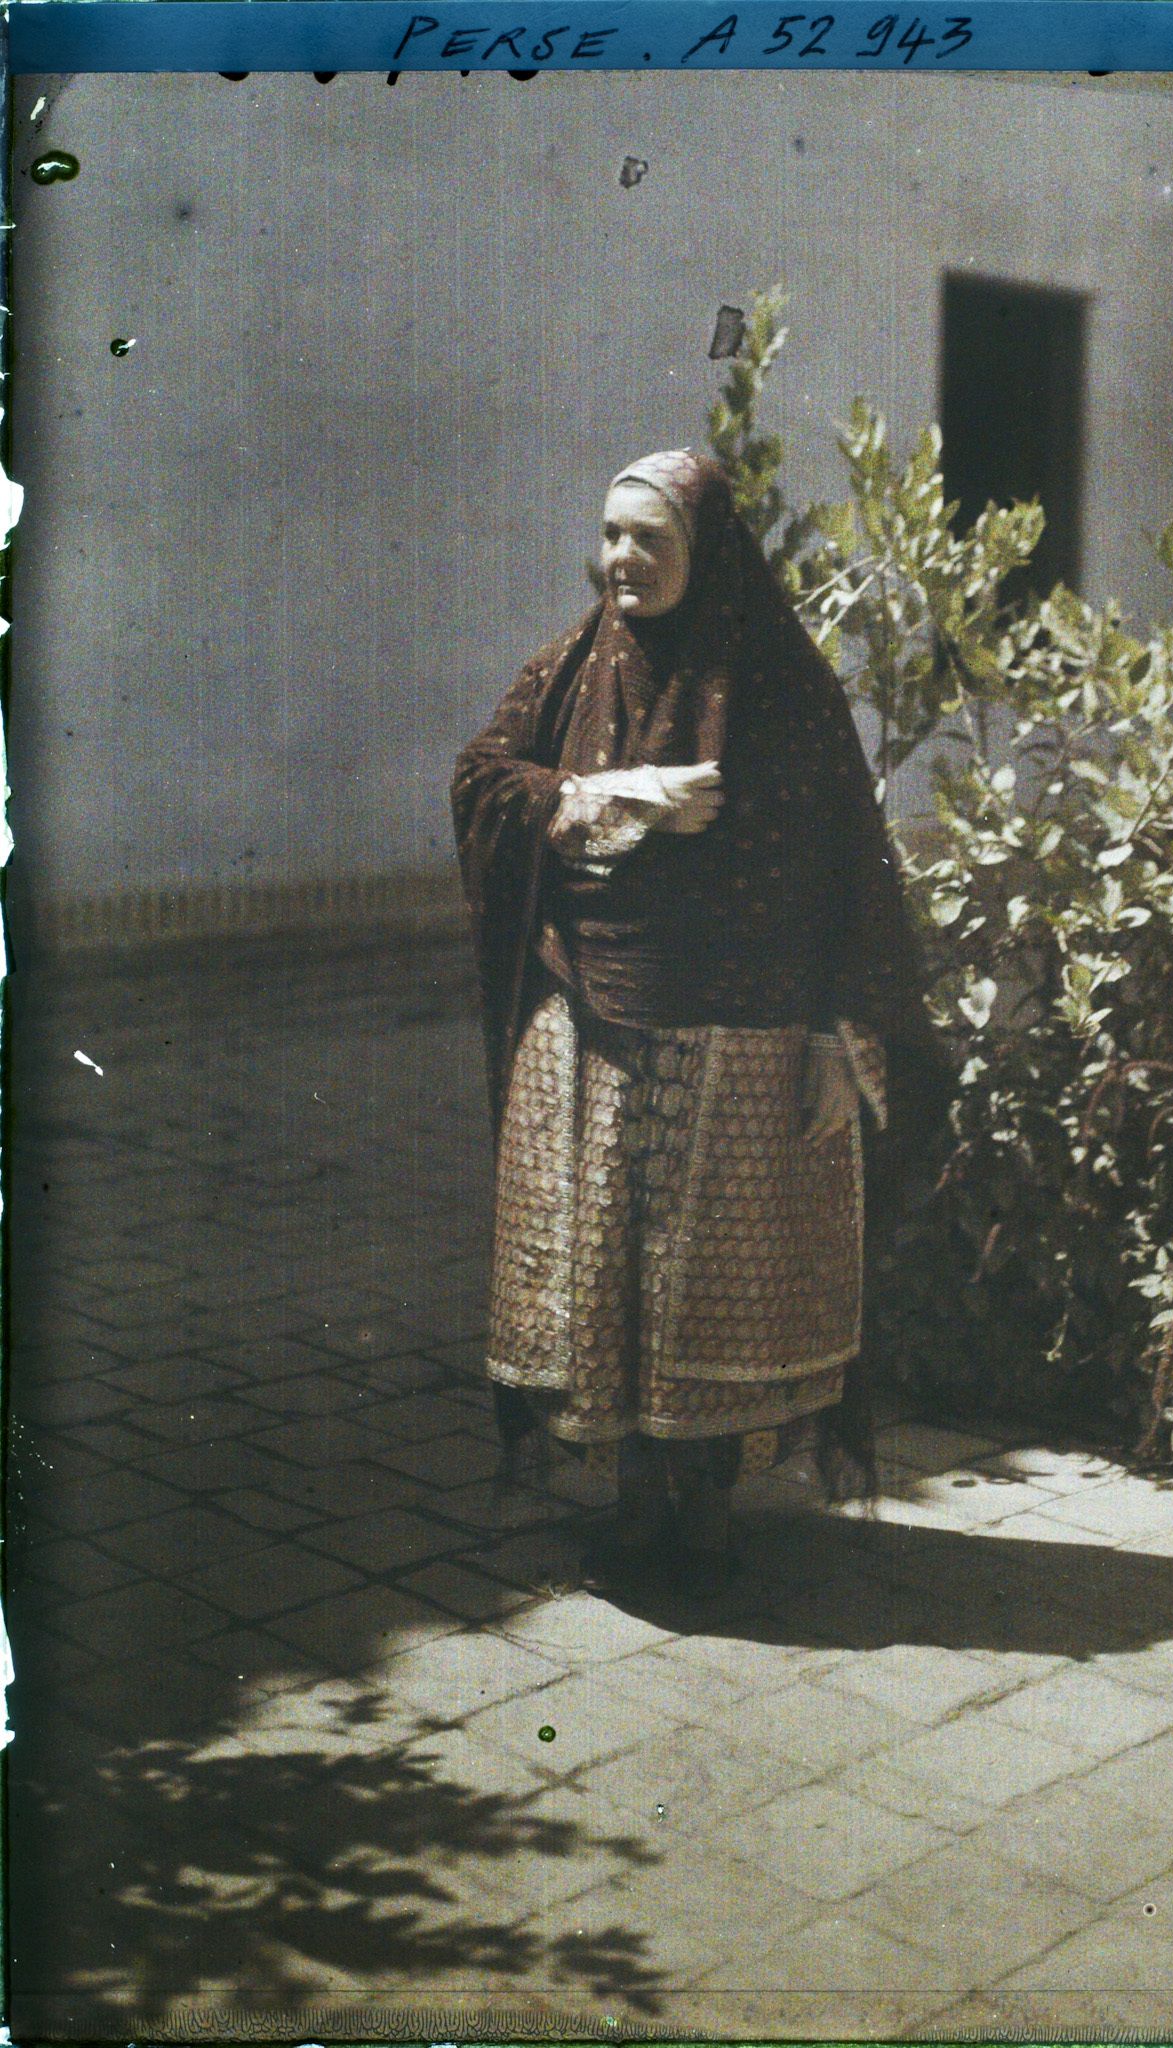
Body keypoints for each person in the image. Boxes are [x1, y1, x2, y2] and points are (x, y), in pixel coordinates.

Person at [451, 448, 942, 1594]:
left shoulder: (780, 683)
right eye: (611, 534)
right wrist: (605, 800)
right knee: (609, 1278)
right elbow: (480, 774)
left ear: (704, 550)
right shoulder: (574, 666)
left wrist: (841, 1031)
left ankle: (708, 1503)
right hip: (591, 1027)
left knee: (706, 1285)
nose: (621, 558)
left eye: (648, 538)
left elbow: (851, 870)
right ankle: (631, 1497)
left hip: (745, 1038)